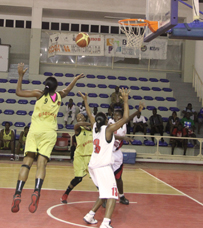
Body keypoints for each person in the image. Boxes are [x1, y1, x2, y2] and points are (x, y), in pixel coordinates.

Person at [11, 63, 84, 214]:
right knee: (41, 164)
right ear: (55, 87)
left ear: (45, 85)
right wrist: (75, 79)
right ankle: (37, 190)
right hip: (49, 132)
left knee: (26, 163)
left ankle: (18, 192)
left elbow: (18, 92)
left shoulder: (39, 94)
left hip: (35, 131)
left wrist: (20, 76)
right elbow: (68, 90)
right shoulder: (58, 96)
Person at [82, 88, 130, 228]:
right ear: (105, 122)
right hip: (103, 167)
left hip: (93, 166)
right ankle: (106, 223)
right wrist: (125, 101)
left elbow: (90, 114)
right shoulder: (108, 130)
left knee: (104, 192)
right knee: (113, 195)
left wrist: (85, 101)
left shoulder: (94, 128)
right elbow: (126, 118)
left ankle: (90, 215)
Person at [103, 103, 143, 208]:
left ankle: (121, 196)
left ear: (121, 117)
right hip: (108, 153)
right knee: (107, 177)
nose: (115, 117)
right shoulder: (110, 122)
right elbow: (110, 134)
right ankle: (104, 198)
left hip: (117, 153)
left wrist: (138, 111)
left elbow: (129, 117)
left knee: (118, 178)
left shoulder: (124, 123)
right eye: (114, 115)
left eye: (117, 115)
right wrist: (124, 138)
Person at [61, 113, 93, 204]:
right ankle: (66, 194)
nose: (79, 118)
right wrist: (91, 123)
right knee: (78, 178)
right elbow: (77, 125)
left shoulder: (93, 129)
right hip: (79, 156)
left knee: (95, 178)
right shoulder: (78, 128)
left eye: (81, 116)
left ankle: (103, 197)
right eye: (77, 117)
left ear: (85, 118)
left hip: (91, 156)